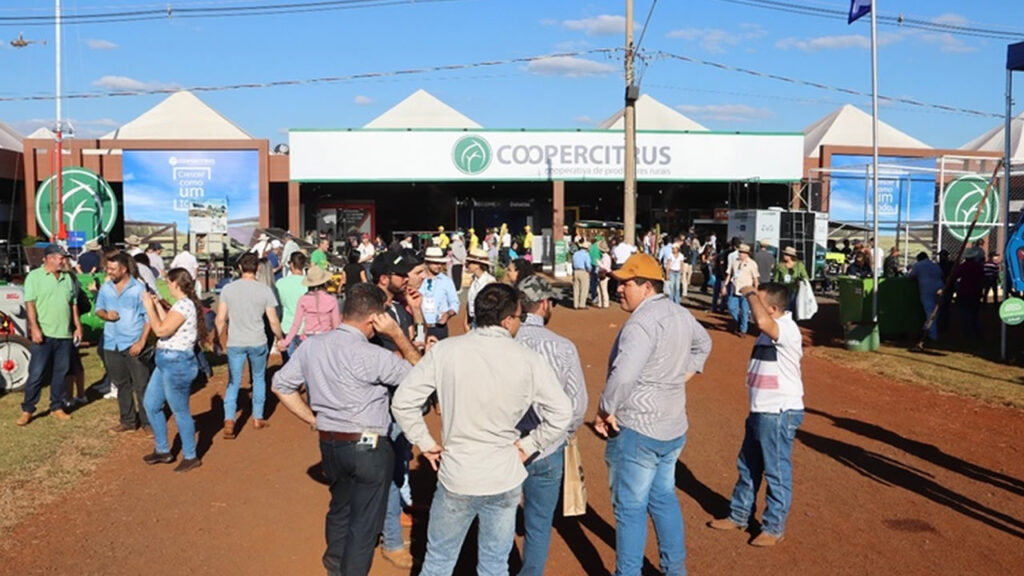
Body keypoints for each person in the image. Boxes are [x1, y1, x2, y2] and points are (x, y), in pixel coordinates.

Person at [391, 283, 573, 576]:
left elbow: (403, 402)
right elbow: (562, 412)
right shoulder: (528, 360)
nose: (520, 323)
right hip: (504, 474)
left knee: (437, 562)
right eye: (520, 317)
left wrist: (425, 443)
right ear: (507, 320)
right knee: (494, 565)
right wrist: (529, 445)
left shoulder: (446, 351)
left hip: (457, 474)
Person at [272, 283, 422, 576]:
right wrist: (397, 335)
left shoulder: (312, 346)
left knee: (340, 509)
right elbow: (421, 377)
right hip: (369, 446)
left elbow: (281, 385)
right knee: (364, 525)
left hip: (330, 443)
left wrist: (313, 419)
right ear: (374, 319)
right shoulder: (372, 355)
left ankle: (334, 569)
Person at [594, 253, 712, 576]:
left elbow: (624, 375)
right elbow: (704, 345)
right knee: (662, 497)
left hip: (639, 429)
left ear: (646, 287)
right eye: (618, 283)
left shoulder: (641, 324)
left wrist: (605, 409)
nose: (619, 288)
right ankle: (675, 570)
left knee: (630, 509)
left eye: (625, 284)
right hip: (672, 426)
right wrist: (679, 378)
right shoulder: (680, 313)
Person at [707, 283, 804, 547]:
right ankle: (739, 514)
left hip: (779, 411)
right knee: (748, 466)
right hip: (761, 410)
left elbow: (762, 322)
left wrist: (750, 292)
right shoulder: (770, 330)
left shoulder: (786, 329)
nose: (752, 308)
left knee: (776, 470)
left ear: (772, 309)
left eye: (758, 303)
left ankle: (773, 526)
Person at [513, 276, 588, 576]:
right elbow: (577, 404)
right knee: (539, 524)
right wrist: (562, 435)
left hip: (504, 445)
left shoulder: (501, 341)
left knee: (497, 518)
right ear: (544, 304)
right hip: (547, 447)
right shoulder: (563, 346)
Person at [140, 268, 205, 473]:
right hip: (166, 361)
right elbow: (166, 323)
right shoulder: (181, 305)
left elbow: (160, 330)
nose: (167, 286)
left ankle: (190, 455)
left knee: (180, 411)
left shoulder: (185, 305)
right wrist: (158, 305)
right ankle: (163, 450)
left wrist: (148, 307)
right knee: (151, 404)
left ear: (176, 283)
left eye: (168, 282)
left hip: (177, 363)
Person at [215, 252, 285, 438]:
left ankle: (229, 419)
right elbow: (273, 320)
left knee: (233, 381)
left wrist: (216, 337)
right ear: (258, 268)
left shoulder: (228, 289)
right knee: (259, 377)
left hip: (236, 341)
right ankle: (257, 417)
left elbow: (220, 318)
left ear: (239, 268)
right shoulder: (264, 290)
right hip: (257, 340)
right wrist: (280, 337)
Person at [16, 244, 81, 426]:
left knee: (61, 372)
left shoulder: (68, 278)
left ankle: (56, 407)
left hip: (65, 334)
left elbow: (73, 304)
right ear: (50, 258)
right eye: (61, 258)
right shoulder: (34, 277)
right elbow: (30, 304)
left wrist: (77, 326)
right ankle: (28, 409)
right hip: (43, 334)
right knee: (36, 373)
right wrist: (34, 328)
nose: (64, 261)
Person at [96, 252, 152, 433]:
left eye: (112, 269)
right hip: (111, 343)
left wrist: (142, 341)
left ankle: (148, 422)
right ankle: (128, 420)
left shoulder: (138, 289)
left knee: (141, 385)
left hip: (133, 343)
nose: (109, 272)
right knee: (121, 385)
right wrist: (106, 315)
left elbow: (148, 317)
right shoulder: (106, 288)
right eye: (108, 268)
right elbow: (98, 310)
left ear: (124, 269)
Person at [279, 266, 340, 353]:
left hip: (308, 339)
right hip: (326, 339)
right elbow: (336, 325)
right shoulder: (331, 300)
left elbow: (296, 324)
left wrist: (286, 342)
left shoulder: (303, 299)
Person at [420, 246, 460, 341]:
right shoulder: (418, 280)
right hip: (420, 326)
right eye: (435, 263)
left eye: (441, 263)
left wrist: (448, 314)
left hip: (439, 327)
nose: (439, 266)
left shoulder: (446, 281)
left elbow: (455, 303)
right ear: (427, 263)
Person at [275, 252, 308, 361]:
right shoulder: (309, 284)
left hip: (287, 326)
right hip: (305, 327)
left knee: (288, 364)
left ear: (291, 265)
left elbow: (277, 305)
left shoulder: (280, 283)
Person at [723, 244, 760, 336]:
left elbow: (756, 279)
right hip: (734, 288)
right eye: (740, 252)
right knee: (731, 307)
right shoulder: (734, 261)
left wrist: (756, 290)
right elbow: (729, 274)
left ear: (747, 254)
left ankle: (743, 329)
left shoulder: (752, 264)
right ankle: (738, 321)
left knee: (745, 310)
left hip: (746, 291)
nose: (740, 254)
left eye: (743, 252)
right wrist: (724, 285)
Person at [909, 252, 943, 341]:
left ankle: (932, 335)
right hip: (939, 287)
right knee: (936, 310)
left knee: (929, 311)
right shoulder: (935, 265)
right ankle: (926, 329)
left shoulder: (918, 265)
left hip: (926, 289)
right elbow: (941, 274)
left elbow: (912, 275)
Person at [954, 248, 985, 342]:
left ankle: (966, 334)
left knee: (964, 315)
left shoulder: (962, 266)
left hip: (964, 292)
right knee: (975, 315)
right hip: (975, 292)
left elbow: (955, 276)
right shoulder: (978, 266)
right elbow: (982, 278)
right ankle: (977, 334)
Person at [464, 248, 496, 331]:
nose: (468, 265)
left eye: (470, 262)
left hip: (485, 324)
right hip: (474, 321)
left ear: (477, 265)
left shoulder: (489, 281)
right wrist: (466, 321)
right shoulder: (473, 281)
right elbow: (469, 303)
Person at [771, 246, 809, 312]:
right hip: (783, 290)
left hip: (795, 290)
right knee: (785, 307)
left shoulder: (799, 265)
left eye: (786, 254)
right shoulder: (780, 266)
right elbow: (776, 279)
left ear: (791, 256)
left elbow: (805, 277)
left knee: (794, 307)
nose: (784, 256)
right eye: (784, 254)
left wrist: (800, 281)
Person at [572, 242, 592, 310]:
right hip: (583, 271)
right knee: (584, 289)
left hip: (576, 271)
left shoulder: (575, 254)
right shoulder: (586, 255)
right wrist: (589, 271)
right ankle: (582, 304)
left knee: (576, 288)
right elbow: (588, 265)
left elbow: (573, 263)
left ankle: (575, 304)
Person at [597, 241, 612, 309]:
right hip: (603, 274)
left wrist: (599, 263)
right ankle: (600, 303)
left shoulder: (606, 257)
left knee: (603, 289)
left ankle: (605, 303)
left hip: (604, 274)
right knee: (599, 289)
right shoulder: (605, 256)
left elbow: (605, 267)